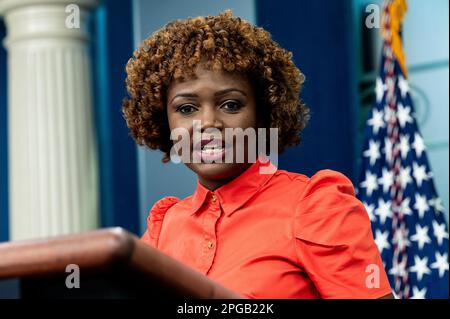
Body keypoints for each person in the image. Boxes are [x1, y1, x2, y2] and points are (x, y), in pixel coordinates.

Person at [122, 10, 393, 299]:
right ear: (165, 122)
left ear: (263, 114)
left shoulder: (316, 206)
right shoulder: (163, 230)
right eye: (187, 109)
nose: (209, 124)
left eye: (230, 105)